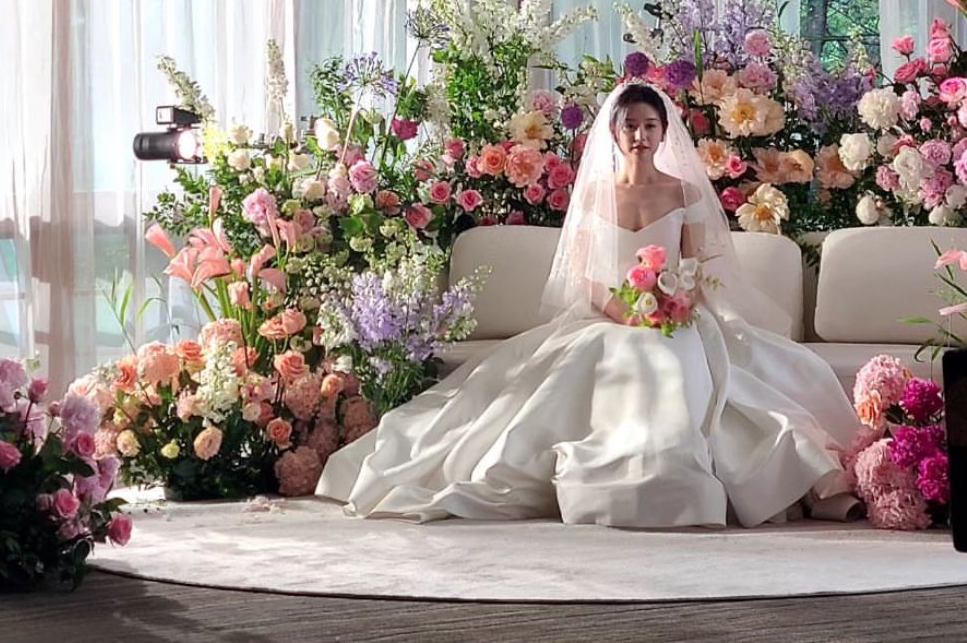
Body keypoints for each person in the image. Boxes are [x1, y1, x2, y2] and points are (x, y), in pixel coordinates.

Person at [317, 82, 861, 527]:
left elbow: (696, 267)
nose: (641, 136)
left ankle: (679, 479)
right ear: (614, 133)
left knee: (700, 365)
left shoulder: (684, 193)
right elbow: (585, 275)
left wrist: (671, 302)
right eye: (631, 126)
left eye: (650, 126)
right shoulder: (596, 194)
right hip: (608, 316)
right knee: (553, 379)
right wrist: (626, 313)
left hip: (672, 316)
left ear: (664, 132)